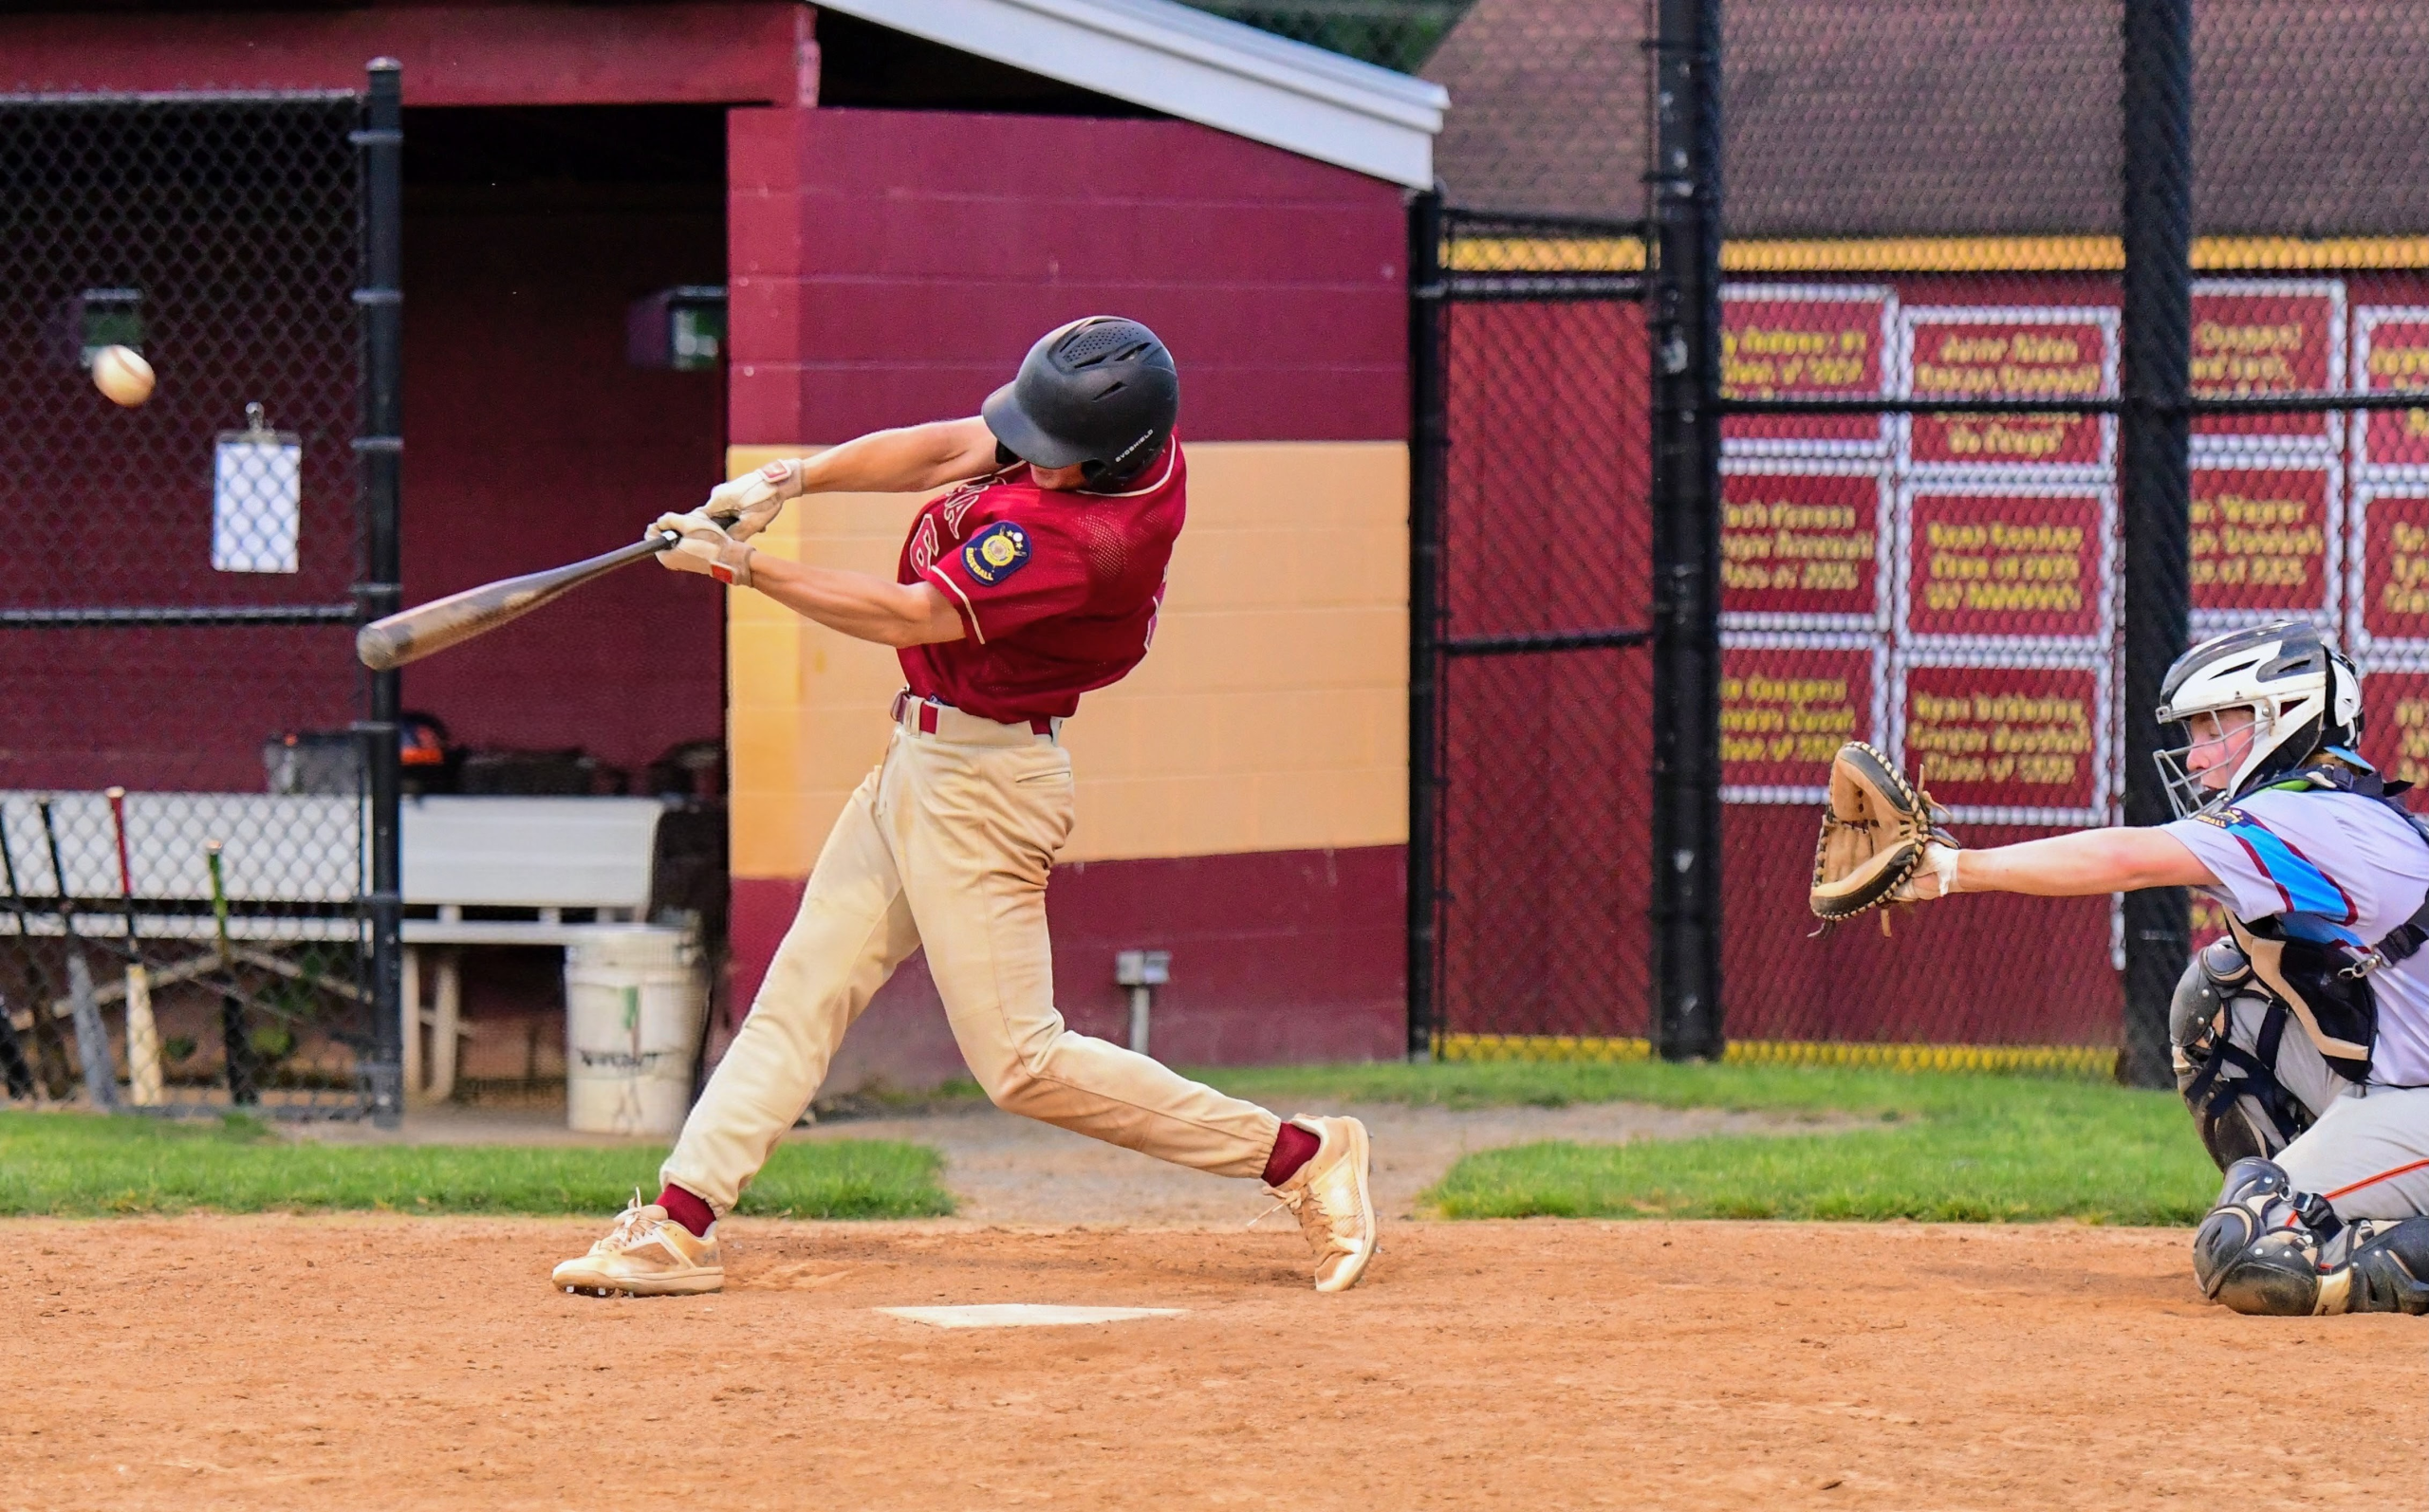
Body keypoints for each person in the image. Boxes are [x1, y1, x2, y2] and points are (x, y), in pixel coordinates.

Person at [548, 317, 1378, 1297]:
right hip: (922, 754)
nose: (1034, 459)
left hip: (985, 787)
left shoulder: (1089, 541)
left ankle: (1300, 1155)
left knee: (1021, 1064)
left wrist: (741, 569)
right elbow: (950, 446)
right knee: (803, 990)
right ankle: (679, 1224)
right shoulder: (1113, 441)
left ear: (1113, 463)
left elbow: (910, 615)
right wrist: (786, 480)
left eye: (1057, 454)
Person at [1884, 620, 2429, 1316]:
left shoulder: (2319, 819)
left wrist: (1953, 869)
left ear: (2285, 717)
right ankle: (2327, 1216)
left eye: (2214, 728)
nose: (2197, 754)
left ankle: (2343, 1239)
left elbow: (2129, 859)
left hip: (2416, 1106)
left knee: (2251, 1247)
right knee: (2219, 1001)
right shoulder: (2321, 809)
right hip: (2395, 1090)